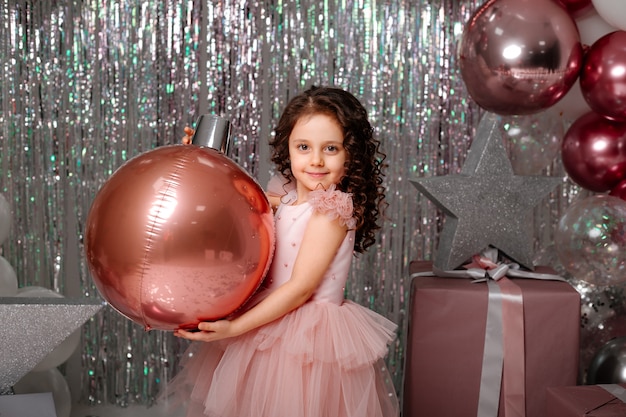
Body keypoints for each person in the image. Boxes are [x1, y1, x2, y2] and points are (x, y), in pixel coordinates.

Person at [161, 85, 400, 417]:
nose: (315, 160)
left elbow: (300, 287)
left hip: (305, 341)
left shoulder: (330, 211)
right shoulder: (285, 196)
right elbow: (233, 193)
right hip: (269, 320)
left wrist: (235, 328)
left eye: (330, 148)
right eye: (304, 147)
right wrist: (202, 159)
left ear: (351, 155)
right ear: (288, 148)